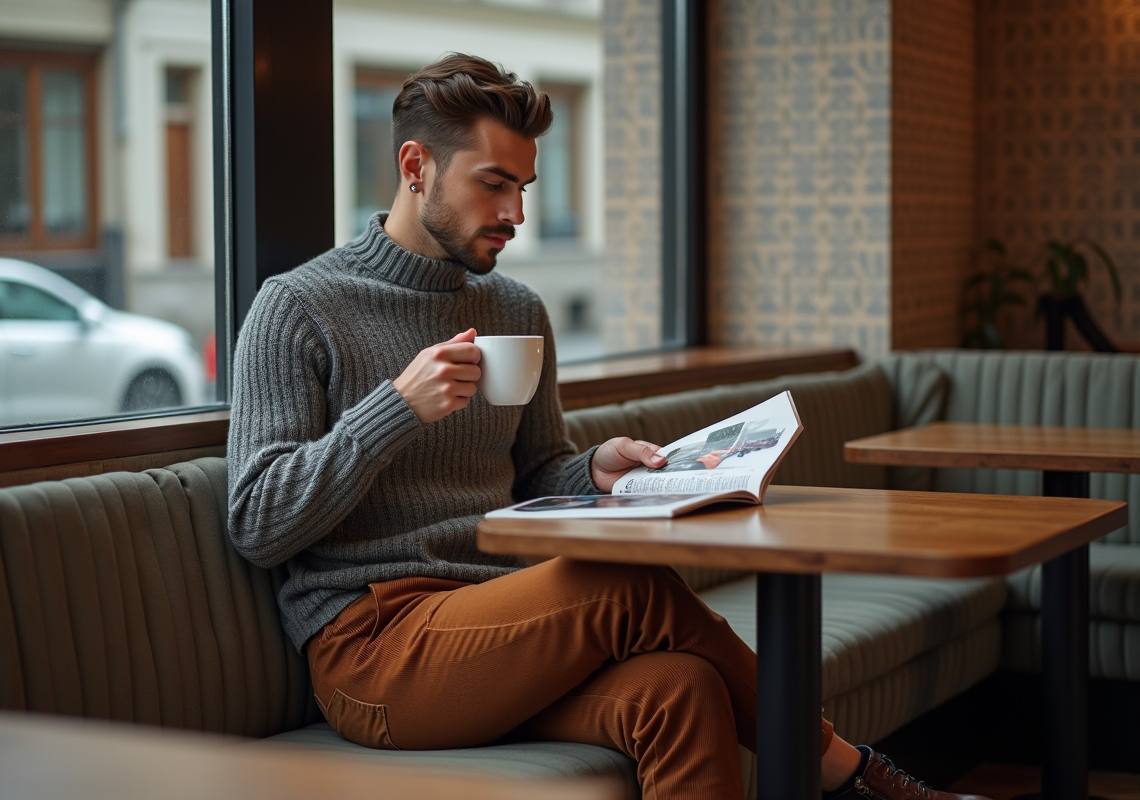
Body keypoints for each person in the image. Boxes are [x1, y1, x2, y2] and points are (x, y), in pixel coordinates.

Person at [226, 53, 991, 800]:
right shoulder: (299, 308)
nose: (515, 215)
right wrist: (395, 409)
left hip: (509, 625)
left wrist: (593, 469)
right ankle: (850, 772)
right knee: (626, 582)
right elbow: (258, 523)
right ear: (415, 164)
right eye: (493, 184)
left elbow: (537, 472)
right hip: (377, 654)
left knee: (682, 689)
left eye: (524, 187)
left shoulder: (515, 309)